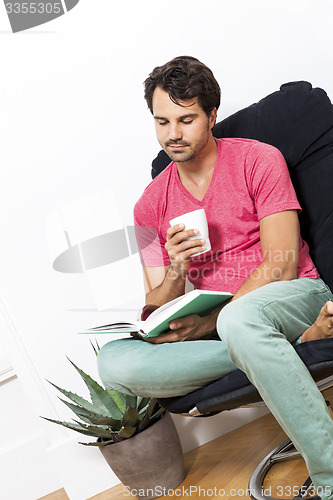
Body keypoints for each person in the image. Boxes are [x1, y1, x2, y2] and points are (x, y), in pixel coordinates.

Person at [98, 56, 333, 498]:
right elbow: (153, 304)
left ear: (212, 116)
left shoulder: (259, 159)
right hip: (227, 324)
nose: (172, 134)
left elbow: (281, 261)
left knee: (238, 321)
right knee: (115, 363)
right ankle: (285, 349)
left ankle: (331, 478)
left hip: (292, 292)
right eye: (162, 121)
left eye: (186, 119)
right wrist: (175, 269)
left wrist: (216, 319)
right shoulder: (150, 205)